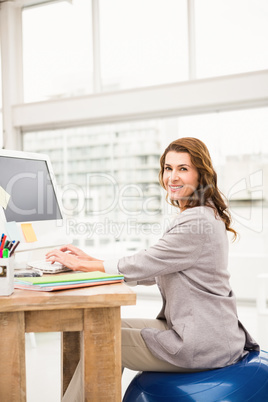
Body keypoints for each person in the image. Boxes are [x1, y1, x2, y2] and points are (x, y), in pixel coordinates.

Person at [47, 137, 259, 375]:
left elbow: (146, 262)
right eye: (168, 168)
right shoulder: (203, 215)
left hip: (201, 343)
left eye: (183, 169)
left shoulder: (197, 220)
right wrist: (89, 262)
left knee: (99, 338)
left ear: (201, 174)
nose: (172, 177)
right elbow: (157, 268)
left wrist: (81, 265)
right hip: (202, 331)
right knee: (96, 327)